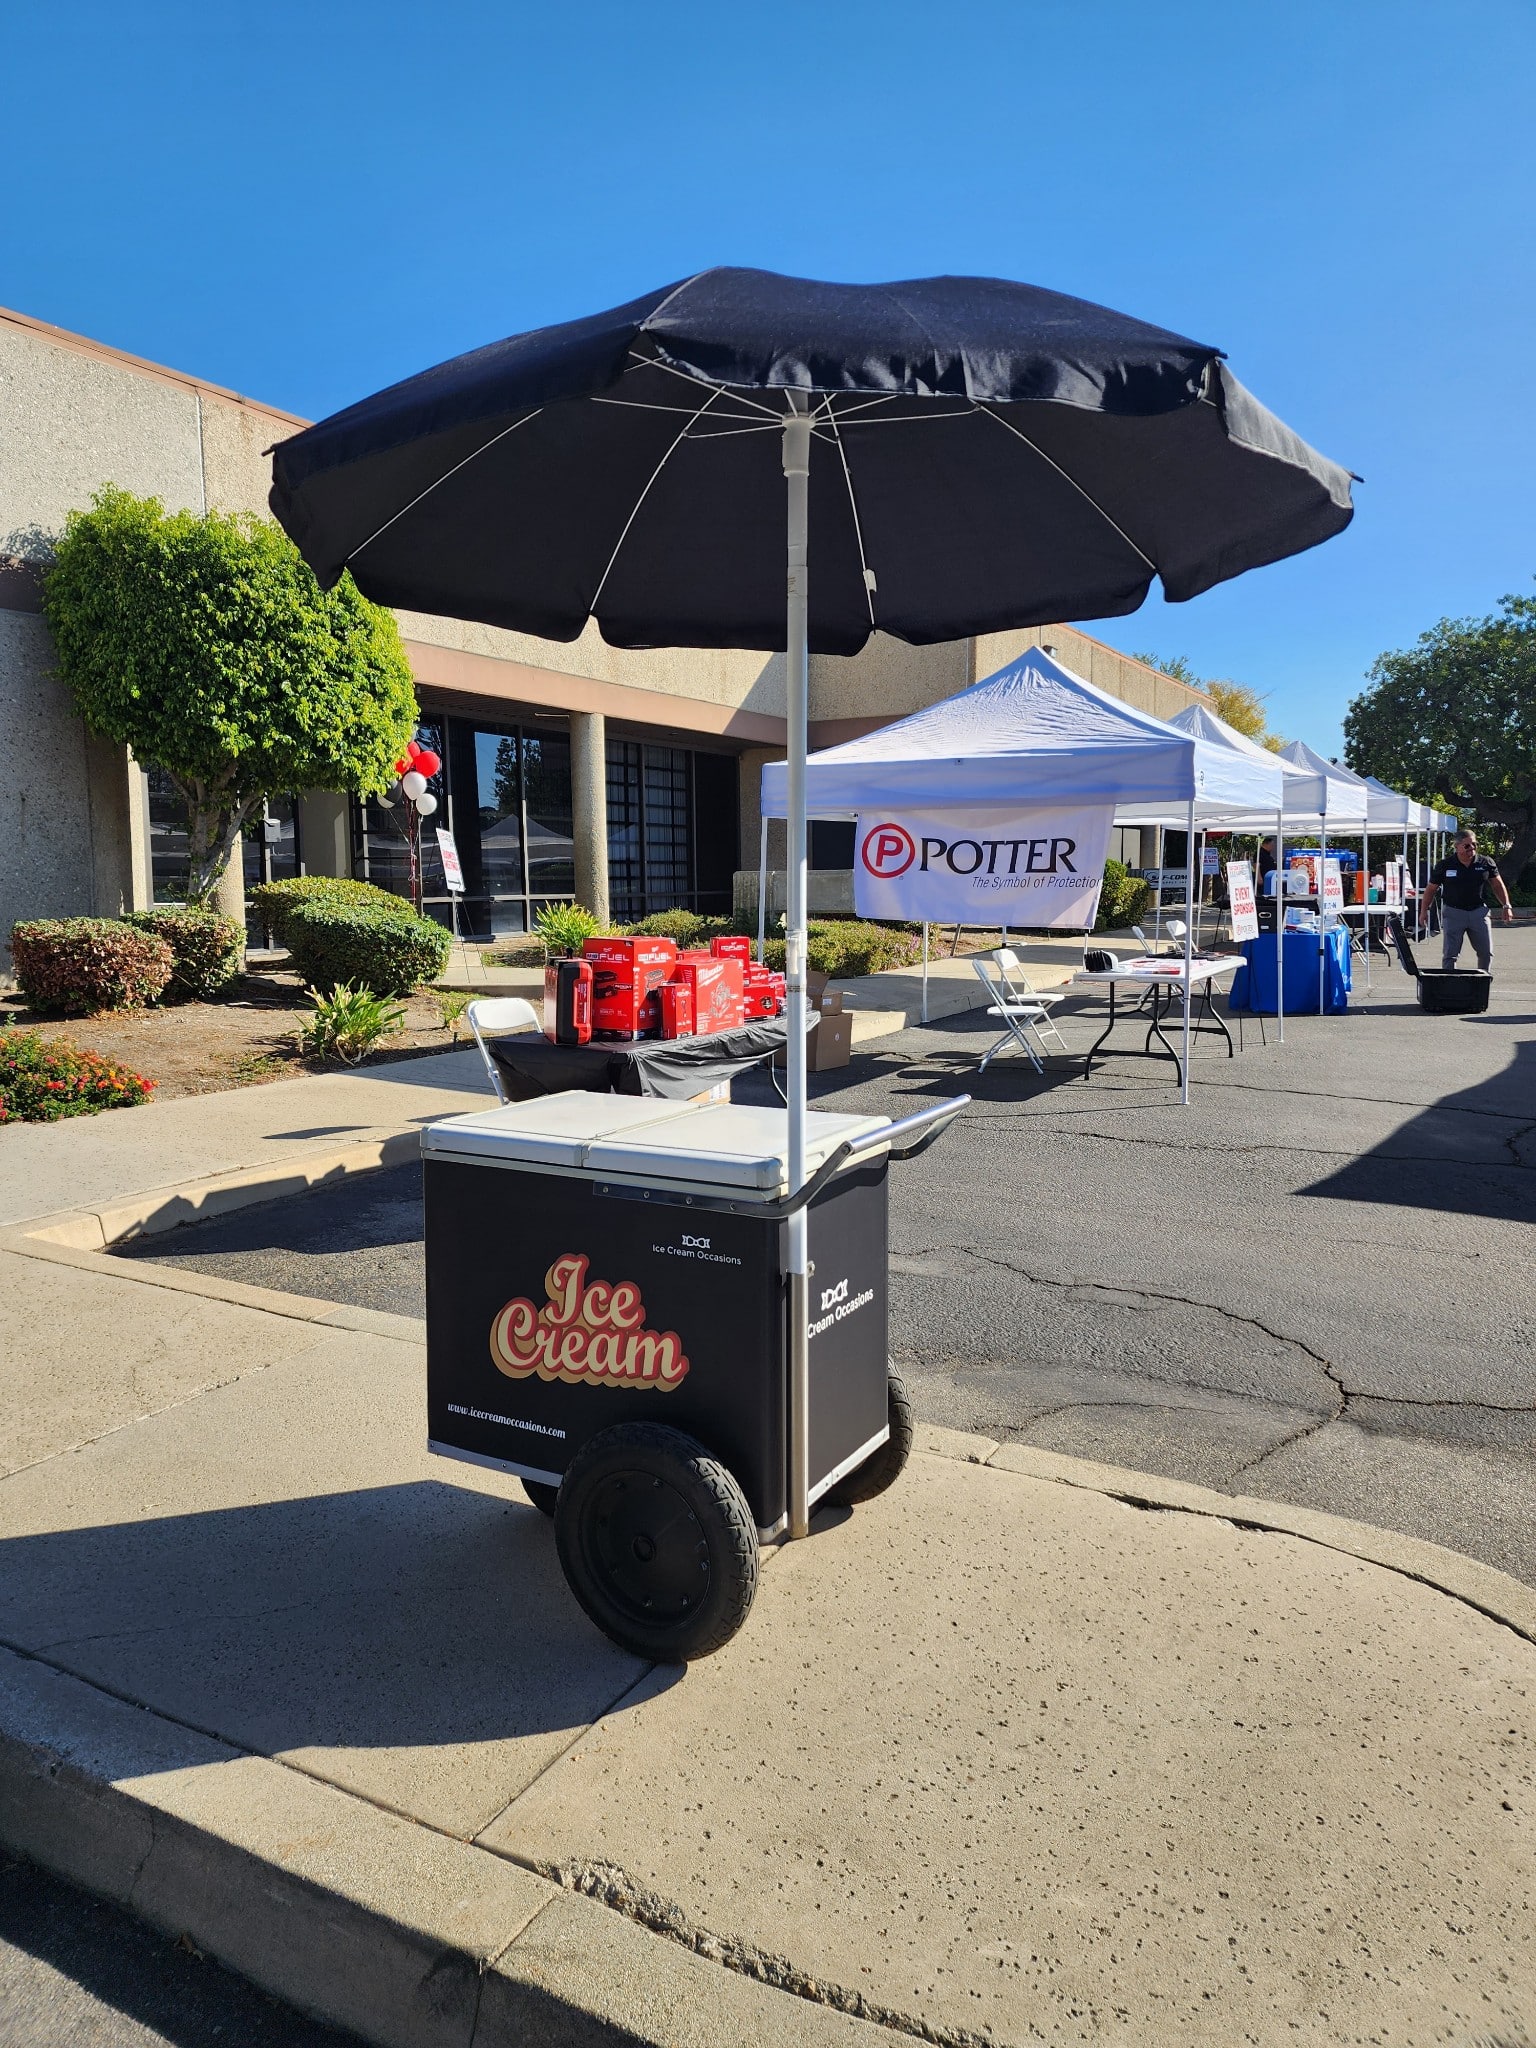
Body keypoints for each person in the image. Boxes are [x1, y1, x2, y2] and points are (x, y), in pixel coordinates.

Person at [1418, 829, 1514, 971]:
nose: (1472, 848)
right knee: (1450, 955)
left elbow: (1498, 885)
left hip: (1479, 912)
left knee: (1486, 953)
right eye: (1467, 845)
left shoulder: (1485, 862)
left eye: (1475, 844)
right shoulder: (1445, 865)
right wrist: (1424, 911)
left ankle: (1482, 984)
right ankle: (1449, 987)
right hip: (1453, 913)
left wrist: (1506, 906)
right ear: (1456, 846)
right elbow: (1431, 889)